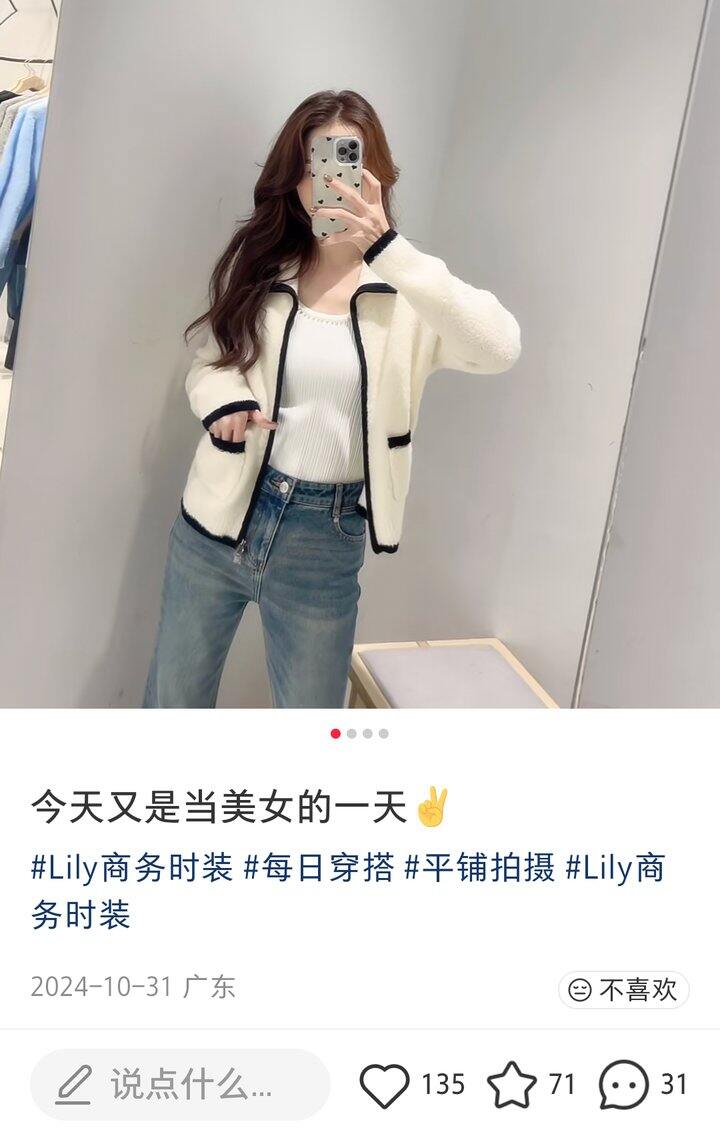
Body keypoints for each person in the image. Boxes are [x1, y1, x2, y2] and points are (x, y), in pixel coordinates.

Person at [144, 89, 521, 708]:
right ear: (293, 178)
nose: (328, 184)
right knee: (173, 705)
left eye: (346, 163)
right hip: (217, 519)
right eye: (312, 166)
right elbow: (210, 361)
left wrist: (388, 248)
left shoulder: (408, 294)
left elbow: (501, 347)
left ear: (377, 176)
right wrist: (226, 404)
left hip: (323, 539)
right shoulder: (264, 268)